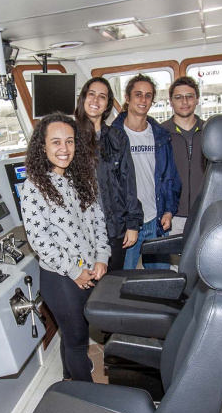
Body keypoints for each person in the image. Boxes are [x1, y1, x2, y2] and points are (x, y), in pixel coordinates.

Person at [19, 113, 110, 381]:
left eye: (69, 142)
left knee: (72, 335)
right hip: (60, 277)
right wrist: (73, 270)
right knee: (78, 339)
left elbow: (98, 221)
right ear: (43, 146)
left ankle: (69, 380)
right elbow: (39, 240)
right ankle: (87, 397)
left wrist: (102, 257)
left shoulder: (82, 179)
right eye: (56, 142)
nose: (64, 149)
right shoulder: (33, 187)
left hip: (89, 269)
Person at [112, 74, 181, 269]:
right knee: (121, 282)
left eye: (148, 96)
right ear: (127, 98)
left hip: (155, 219)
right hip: (128, 223)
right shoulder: (113, 137)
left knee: (162, 282)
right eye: (138, 94)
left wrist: (169, 210)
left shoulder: (160, 135)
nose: (143, 100)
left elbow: (170, 176)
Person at [73, 77, 142, 271]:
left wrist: (132, 224)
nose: (95, 100)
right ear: (83, 98)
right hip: (82, 231)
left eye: (102, 97)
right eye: (91, 94)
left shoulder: (117, 138)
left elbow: (129, 183)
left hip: (115, 228)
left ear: (107, 105)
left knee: (111, 287)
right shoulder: (69, 137)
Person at [161, 76, 206, 234]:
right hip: (172, 216)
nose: (184, 101)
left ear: (197, 99)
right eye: (178, 97)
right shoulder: (161, 134)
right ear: (171, 102)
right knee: (174, 259)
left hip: (204, 213)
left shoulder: (208, 131)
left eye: (189, 96)